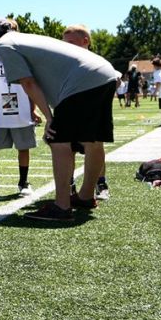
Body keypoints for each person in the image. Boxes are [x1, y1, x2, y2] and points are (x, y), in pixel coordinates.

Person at [0, 32, 119, 222]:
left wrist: (49, 118)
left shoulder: (2, 45)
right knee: (93, 141)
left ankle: (61, 206)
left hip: (80, 80)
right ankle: (85, 196)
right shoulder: (22, 38)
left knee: (58, 141)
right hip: (105, 73)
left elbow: (28, 82)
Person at [0, 18, 38, 198]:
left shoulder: (21, 54)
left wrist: (33, 109)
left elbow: (30, 84)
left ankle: (23, 182)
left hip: (22, 111)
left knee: (23, 147)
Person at [62, 24, 112, 200]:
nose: (67, 46)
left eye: (71, 42)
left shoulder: (96, 61)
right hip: (70, 110)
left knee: (95, 147)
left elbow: (114, 80)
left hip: (93, 109)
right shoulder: (65, 62)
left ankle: (100, 183)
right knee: (69, 149)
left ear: (85, 41)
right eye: (64, 42)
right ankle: (69, 185)